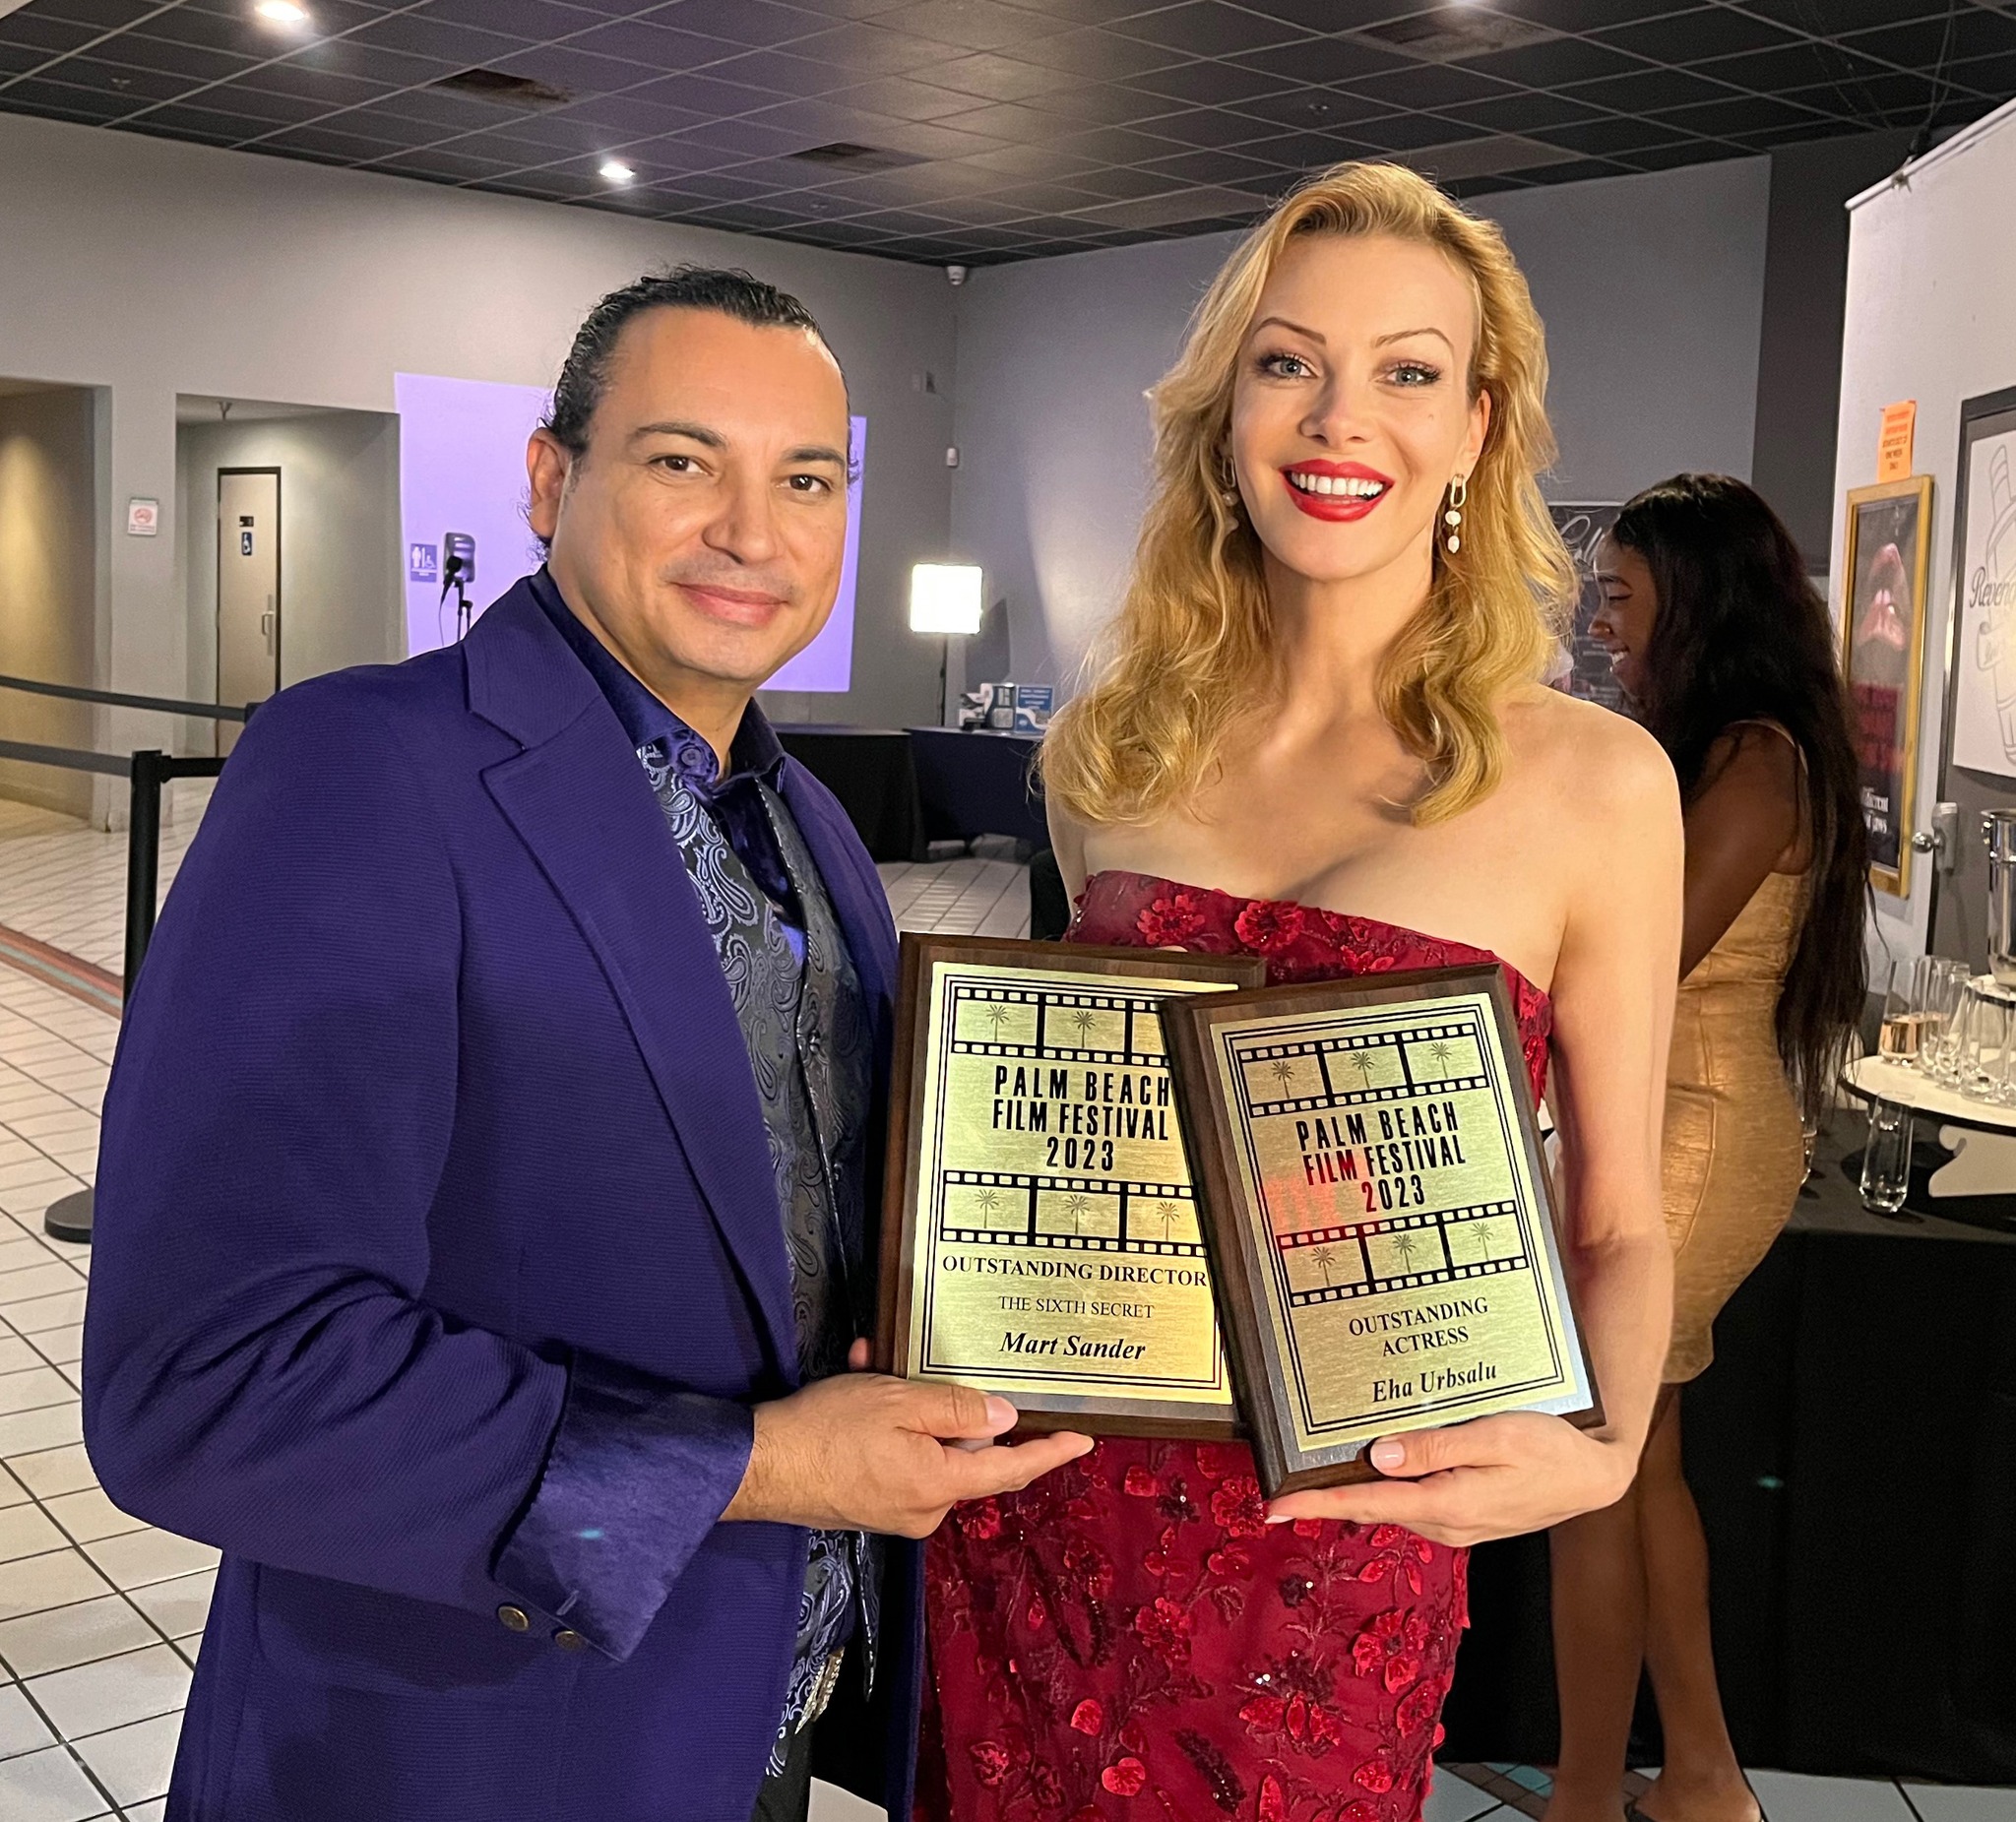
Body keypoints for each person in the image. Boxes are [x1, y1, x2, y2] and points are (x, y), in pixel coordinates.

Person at [82, 266, 1089, 1822]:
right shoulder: (365, 769)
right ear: (552, 479)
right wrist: (766, 1469)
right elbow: (207, 1375)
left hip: (751, 1717)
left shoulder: (808, 823)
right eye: (684, 461)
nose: (754, 532)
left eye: (806, 480)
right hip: (469, 1747)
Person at [917, 161, 1682, 1822]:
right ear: (1226, 408)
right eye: (1289, 363)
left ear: (1476, 427)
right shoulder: (1112, 750)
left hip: (1335, 1547)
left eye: (1408, 370)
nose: (1342, 420)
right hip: (1042, 1511)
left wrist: (1605, 1448)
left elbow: (1620, 1219)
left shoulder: (1598, 786)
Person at [1552, 474, 1867, 1822]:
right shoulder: (1730, 748)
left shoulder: (1755, 760)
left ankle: (1583, 1797)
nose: (1602, 624)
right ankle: (1699, 1776)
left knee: (1592, 1468)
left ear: (1697, 601)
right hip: (1670, 1117)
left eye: (1621, 597)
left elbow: (1640, 961)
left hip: (1696, 1132)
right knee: (1643, 1464)